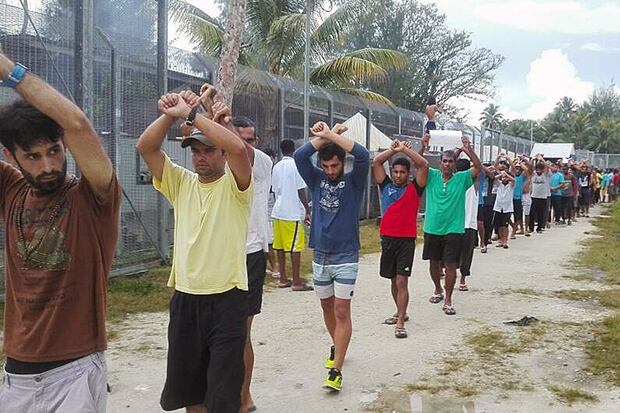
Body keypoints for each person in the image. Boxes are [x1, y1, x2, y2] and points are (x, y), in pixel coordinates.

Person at [0, 51, 121, 412]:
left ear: (65, 145)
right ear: (11, 156)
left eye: (54, 150)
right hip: (17, 373)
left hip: (75, 372)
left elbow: (78, 124)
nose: (49, 165)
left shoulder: (94, 196)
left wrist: (9, 71)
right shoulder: (10, 190)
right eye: (33, 157)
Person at [137, 91, 252, 413]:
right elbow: (146, 148)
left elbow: (239, 148)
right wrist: (171, 114)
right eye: (196, 151)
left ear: (222, 155)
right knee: (191, 393)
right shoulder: (181, 183)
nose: (201, 157)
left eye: (209, 151)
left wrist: (191, 114)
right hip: (186, 298)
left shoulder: (236, 185)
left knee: (223, 394)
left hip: (227, 299)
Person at [294, 121, 370, 391]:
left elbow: (364, 155)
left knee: (341, 310)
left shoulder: (354, 181)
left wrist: (331, 137)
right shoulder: (315, 179)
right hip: (321, 255)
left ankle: (336, 370)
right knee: (326, 308)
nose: (330, 171)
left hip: (346, 255)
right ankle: (338, 346)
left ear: (342, 164)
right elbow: (300, 156)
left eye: (334, 166)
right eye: (325, 166)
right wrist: (327, 138)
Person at [231, 116, 273, 413]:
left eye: (250, 138)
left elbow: (240, 152)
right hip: (222, 254)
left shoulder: (260, 162)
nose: (246, 143)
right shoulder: (220, 164)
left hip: (251, 254)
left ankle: (244, 396)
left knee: (242, 332)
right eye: (240, 137)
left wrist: (214, 117)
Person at [372, 138, 429, 339]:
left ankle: (400, 322)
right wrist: (392, 149)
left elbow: (424, 165)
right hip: (387, 238)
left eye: (402, 172)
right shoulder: (385, 185)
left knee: (401, 280)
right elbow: (377, 163)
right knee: (392, 281)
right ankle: (399, 312)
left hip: (406, 240)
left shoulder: (415, 188)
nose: (398, 175)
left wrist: (404, 150)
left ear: (408, 174)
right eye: (395, 171)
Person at [421, 135, 482, 316]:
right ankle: (437, 289)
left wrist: (468, 149)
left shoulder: (462, 179)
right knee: (433, 263)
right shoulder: (431, 176)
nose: (447, 164)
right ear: (440, 163)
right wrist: (423, 147)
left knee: (450, 265)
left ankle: (448, 299)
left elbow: (478, 168)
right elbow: (419, 163)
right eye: (444, 161)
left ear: (454, 164)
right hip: (432, 227)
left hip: (454, 229)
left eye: (450, 161)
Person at [271, 139, 313, 291]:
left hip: (277, 210)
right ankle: (296, 281)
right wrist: (307, 210)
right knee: (295, 247)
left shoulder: (276, 166)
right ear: (294, 149)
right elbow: (300, 189)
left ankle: (282, 278)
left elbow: (275, 189)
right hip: (292, 212)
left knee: (280, 246)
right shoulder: (296, 165)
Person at [457, 158, 478, 290]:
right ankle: (462, 280)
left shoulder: (458, 182)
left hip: (459, 224)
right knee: (466, 254)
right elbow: (478, 167)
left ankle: (451, 274)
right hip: (468, 224)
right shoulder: (473, 183)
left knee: (453, 253)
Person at [262, 148, 279, 278]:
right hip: (266, 211)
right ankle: (273, 268)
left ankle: (273, 266)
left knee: (272, 241)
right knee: (268, 241)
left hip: (275, 210)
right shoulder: (262, 173)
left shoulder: (275, 172)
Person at [493, 170, 515, 248]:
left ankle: (505, 240)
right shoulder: (499, 184)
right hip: (498, 207)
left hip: (507, 208)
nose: (504, 179)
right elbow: (494, 179)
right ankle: (501, 240)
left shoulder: (511, 185)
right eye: (503, 177)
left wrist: (506, 175)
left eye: (506, 177)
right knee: (499, 225)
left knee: (505, 225)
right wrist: (501, 175)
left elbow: (513, 180)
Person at [529, 155, 550, 234]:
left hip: (542, 197)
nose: (538, 171)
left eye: (540, 169)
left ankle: (539, 228)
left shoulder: (545, 175)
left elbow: (547, 167)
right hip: (534, 196)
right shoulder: (534, 174)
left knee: (541, 213)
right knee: (532, 213)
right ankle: (531, 228)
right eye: (537, 169)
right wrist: (533, 159)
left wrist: (542, 159)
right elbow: (530, 167)